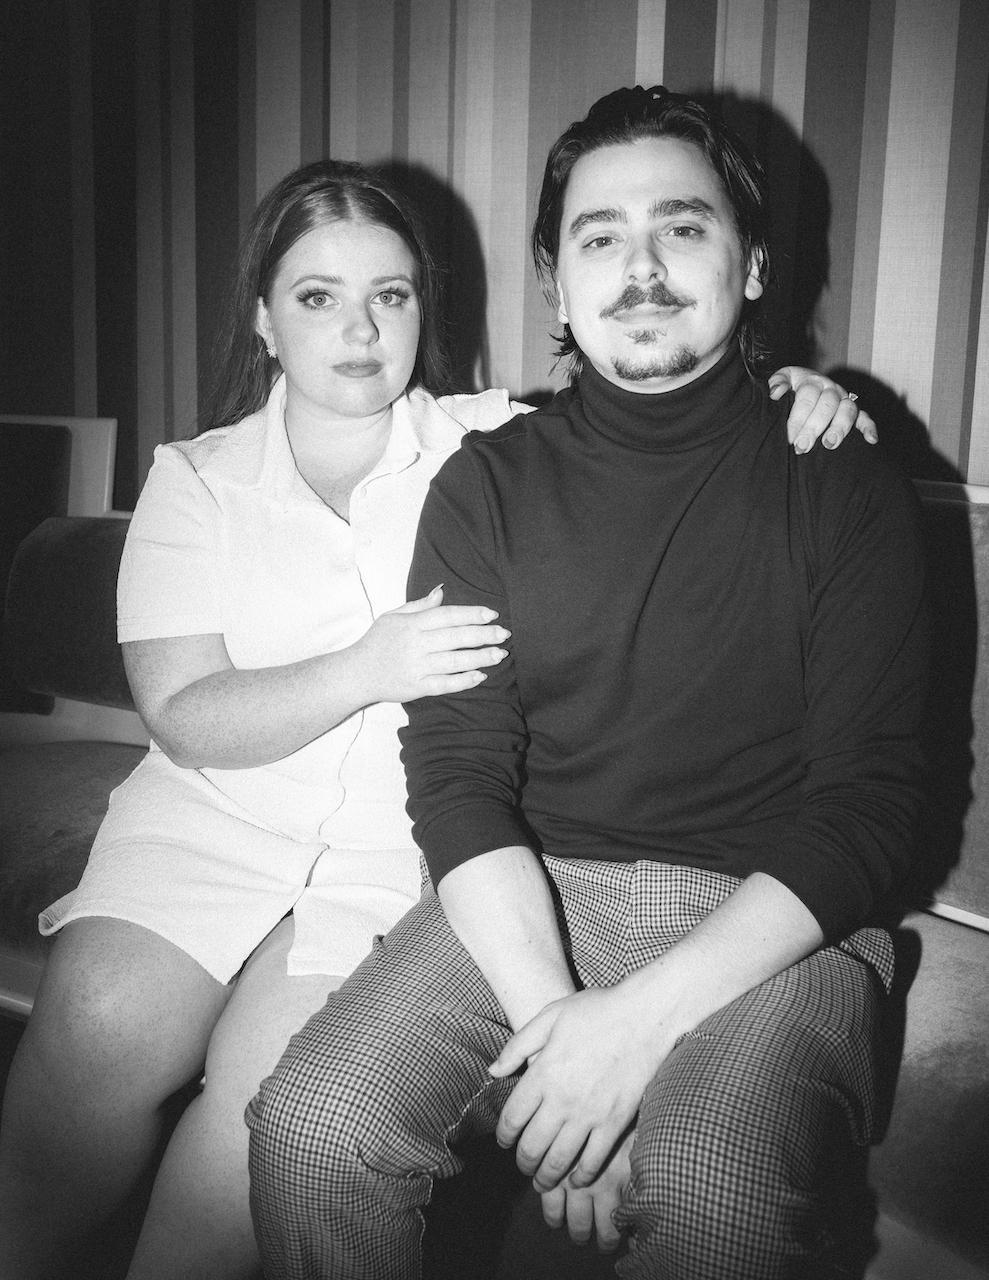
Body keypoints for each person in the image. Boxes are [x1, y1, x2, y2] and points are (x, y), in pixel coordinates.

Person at [0, 155, 868, 1280]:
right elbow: (182, 714)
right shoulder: (196, 477)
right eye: (318, 295)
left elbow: (656, 401)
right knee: (95, 1032)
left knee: (262, 1112)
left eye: (392, 294)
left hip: (393, 856)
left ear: (423, 310)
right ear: (263, 318)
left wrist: (787, 390)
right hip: (206, 821)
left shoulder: (493, 441)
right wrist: (367, 666)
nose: (360, 329)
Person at [246, 89, 929, 1280]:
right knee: (313, 1127)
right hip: (535, 889)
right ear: (556, 286)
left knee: (711, 1194)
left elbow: (873, 803)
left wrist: (629, 1032)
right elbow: (458, 777)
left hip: (776, 916)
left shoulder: (838, 474)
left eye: (682, 227)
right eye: (598, 237)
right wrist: (556, 1038)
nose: (641, 269)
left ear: (750, 265)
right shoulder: (486, 485)